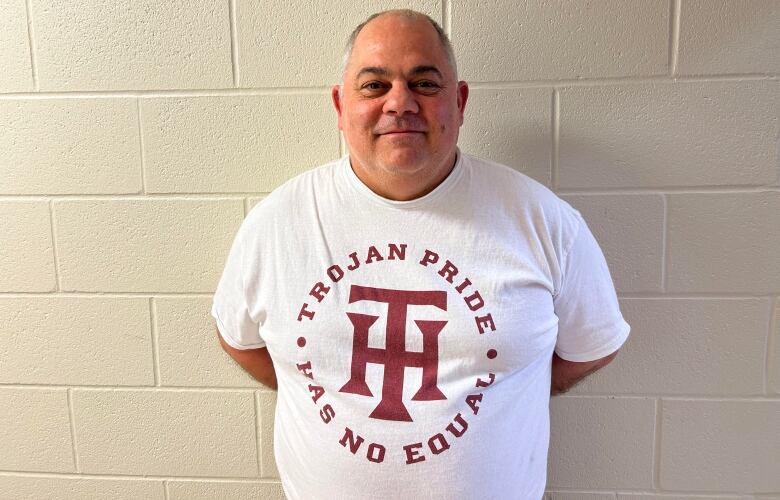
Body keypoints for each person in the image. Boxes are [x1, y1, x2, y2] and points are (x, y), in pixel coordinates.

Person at [211, 9, 629, 500]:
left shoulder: (542, 221)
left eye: (424, 83)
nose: (400, 103)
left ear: (460, 100)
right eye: (374, 86)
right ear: (340, 106)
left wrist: (513, 383)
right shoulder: (276, 223)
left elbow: (593, 346)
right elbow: (240, 339)